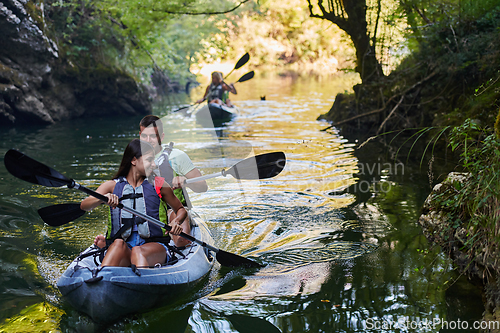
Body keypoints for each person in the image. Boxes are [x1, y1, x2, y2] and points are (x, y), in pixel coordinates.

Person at [82, 139, 187, 267]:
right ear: (133, 160)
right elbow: (85, 205)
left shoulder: (159, 185)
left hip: (155, 247)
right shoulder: (112, 186)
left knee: (138, 251)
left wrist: (176, 221)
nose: (154, 164)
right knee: (117, 244)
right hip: (125, 246)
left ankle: (141, 281)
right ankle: (102, 280)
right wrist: (103, 198)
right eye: (149, 160)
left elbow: (181, 210)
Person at [139, 115, 207, 247]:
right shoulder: (135, 158)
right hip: (146, 211)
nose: (148, 140)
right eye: (144, 136)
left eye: (153, 136)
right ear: (139, 135)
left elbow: (203, 187)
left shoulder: (177, 156)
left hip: (175, 210)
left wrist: (186, 180)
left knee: (180, 237)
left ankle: (181, 243)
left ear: (162, 137)